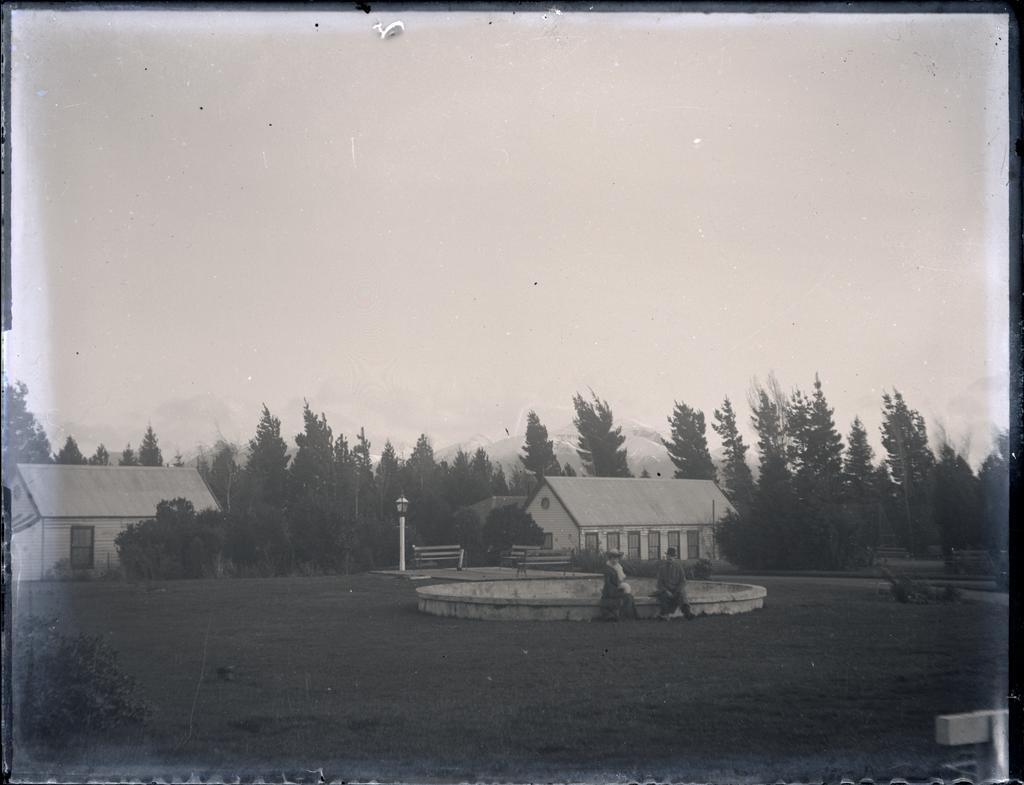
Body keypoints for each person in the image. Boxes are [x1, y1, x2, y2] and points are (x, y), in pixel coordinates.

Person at [654, 547, 694, 620]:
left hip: (676, 590)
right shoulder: (662, 568)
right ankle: (665, 615)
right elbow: (659, 583)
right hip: (666, 591)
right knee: (662, 596)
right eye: (668, 556)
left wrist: (677, 590)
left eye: (672, 556)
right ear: (666, 556)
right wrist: (666, 591)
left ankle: (687, 613)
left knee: (682, 595)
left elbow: (683, 581)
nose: (670, 558)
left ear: (675, 557)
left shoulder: (679, 567)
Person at [600, 550, 636, 621]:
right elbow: (608, 584)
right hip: (609, 592)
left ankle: (627, 616)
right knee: (628, 597)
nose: (615, 560)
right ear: (610, 559)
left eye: (617, 558)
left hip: (616, 590)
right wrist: (617, 591)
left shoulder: (618, 568)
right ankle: (622, 616)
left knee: (629, 597)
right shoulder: (608, 569)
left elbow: (620, 580)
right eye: (613, 558)